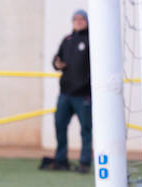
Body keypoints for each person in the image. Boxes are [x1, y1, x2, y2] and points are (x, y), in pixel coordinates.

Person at [46, 10, 91, 173]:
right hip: (65, 94)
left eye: (81, 19)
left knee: (86, 129)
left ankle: (85, 162)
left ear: (87, 21)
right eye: (75, 19)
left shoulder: (91, 40)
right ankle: (61, 159)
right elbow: (57, 59)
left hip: (83, 95)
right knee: (59, 124)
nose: (78, 22)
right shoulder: (67, 40)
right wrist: (56, 63)